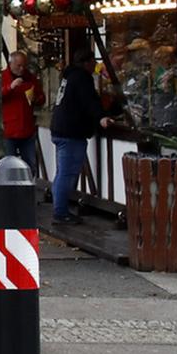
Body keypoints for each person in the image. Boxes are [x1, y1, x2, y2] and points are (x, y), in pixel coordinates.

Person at [49, 50, 101, 224]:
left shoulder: (69, 76)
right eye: (93, 61)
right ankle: (60, 212)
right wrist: (101, 116)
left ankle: (60, 208)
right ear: (86, 62)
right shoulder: (82, 78)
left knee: (62, 173)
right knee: (67, 174)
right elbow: (89, 102)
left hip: (61, 129)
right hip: (71, 131)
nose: (95, 65)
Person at [0, 52, 46, 171]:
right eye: (18, 66)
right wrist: (10, 87)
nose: (21, 69)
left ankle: (30, 182)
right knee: (9, 165)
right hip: (9, 130)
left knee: (30, 165)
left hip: (27, 129)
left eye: (24, 66)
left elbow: (42, 98)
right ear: (11, 64)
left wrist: (36, 98)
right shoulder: (3, 77)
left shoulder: (30, 78)